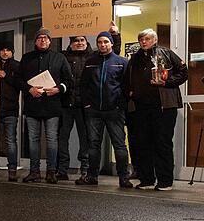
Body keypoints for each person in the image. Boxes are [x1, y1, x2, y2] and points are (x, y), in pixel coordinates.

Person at [124, 28, 187, 191]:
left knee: (162, 143)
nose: (143, 42)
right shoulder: (134, 58)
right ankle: (147, 180)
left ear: (155, 40)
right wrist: (129, 91)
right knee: (143, 143)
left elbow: (183, 73)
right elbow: (126, 80)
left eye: (146, 39)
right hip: (140, 107)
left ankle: (165, 181)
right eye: (141, 40)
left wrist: (167, 82)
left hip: (164, 106)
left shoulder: (166, 53)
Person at [57, 22, 121, 180]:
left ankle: (86, 170)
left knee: (85, 139)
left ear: (87, 43)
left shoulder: (93, 57)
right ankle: (62, 170)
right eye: (76, 40)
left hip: (84, 106)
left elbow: (114, 52)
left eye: (82, 40)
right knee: (62, 138)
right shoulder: (63, 58)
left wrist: (115, 35)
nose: (79, 43)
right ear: (70, 44)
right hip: (66, 104)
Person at [16, 28, 73, 184]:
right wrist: (29, 89)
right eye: (40, 38)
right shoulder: (27, 58)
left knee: (52, 140)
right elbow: (18, 80)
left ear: (50, 41)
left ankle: (51, 172)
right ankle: (34, 172)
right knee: (33, 140)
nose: (43, 40)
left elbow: (69, 80)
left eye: (46, 38)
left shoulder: (59, 58)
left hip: (52, 105)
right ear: (35, 41)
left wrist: (58, 89)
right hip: (32, 105)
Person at [77, 31, 132, 188]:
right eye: (100, 42)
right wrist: (87, 105)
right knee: (93, 145)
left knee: (119, 145)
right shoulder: (90, 62)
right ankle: (92, 176)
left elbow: (127, 86)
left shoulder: (122, 62)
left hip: (115, 111)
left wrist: (120, 105)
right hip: (93, 111)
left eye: (106, 42)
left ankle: (124, 178)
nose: (102, 45)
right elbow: (84, 86)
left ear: (111, 44)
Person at [0, 44, 21, 181]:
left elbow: (21, 84)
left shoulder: (17, 66)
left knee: (10, 141)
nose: (5, 52)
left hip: (10, 110)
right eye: (2, 49)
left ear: (12, 52)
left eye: (8, 50)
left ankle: (12, 170)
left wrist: (6, 76)